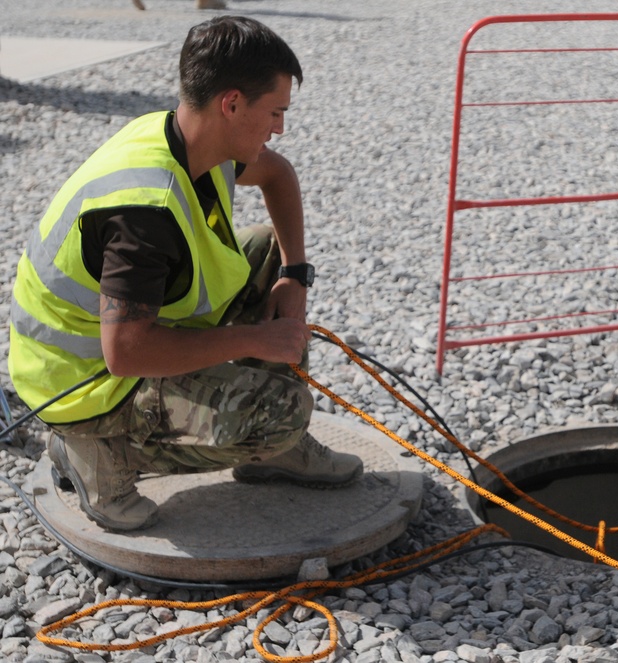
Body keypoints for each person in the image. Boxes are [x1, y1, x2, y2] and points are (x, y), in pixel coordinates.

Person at [8, 15, 362, 532]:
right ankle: (100, 454)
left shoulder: (189, 136)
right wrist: (257, 340)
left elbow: (279, 173)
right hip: (84, 386)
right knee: (283, 411)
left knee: (264, 248)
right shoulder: (143, 214)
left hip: (116, 347)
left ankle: (271, 453)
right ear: (232, 103)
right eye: (275, 112)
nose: (280, 127)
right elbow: (126, 353)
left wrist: (294, 275)